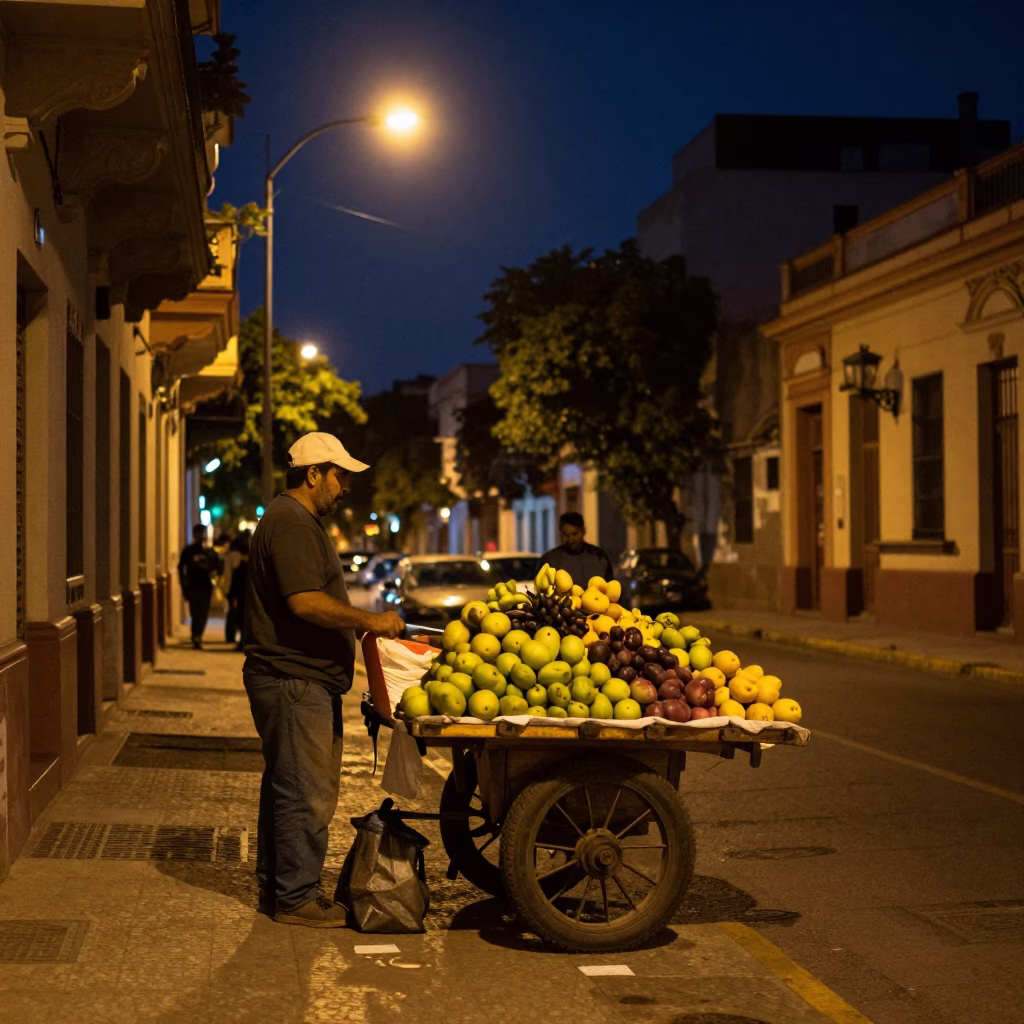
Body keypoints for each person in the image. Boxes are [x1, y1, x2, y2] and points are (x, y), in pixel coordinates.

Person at [243, 432, 405, 928]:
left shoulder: (294, 519)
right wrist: (370, 620)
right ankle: (296, 898)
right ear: (313, 474)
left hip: (296, 678)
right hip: (294, 680)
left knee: (286, 786)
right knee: (306, 792)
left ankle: (278, 885)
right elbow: (304, 601)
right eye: (339, 476)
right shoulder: (292, 522)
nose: (345, 486)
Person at [537, 511, 615, 586]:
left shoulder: (599, 557)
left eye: (575, 534)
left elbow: (610, 589)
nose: (571, 539)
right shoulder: (550, 560)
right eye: (566, 535)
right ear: (560, 533)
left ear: (583, 531)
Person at [177, 524, 219, 649]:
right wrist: (183, 585)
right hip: (193, 585)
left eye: (202, 533)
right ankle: (195, 634)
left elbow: (216, 567)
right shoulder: (188, 550)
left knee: (203, 612)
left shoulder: (209, 551)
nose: (201, 536)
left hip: (206, 585)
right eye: (198, 533)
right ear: (194, 534)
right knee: (195, 612)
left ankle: (198, 635)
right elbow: (181, 568)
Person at [227, 529, 251, 651]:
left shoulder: (244, 560)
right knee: (242, 619)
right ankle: (242, 640)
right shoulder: (245, 560)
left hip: (245, 596)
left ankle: (242, 640)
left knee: (242, 619)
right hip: (244, 596)